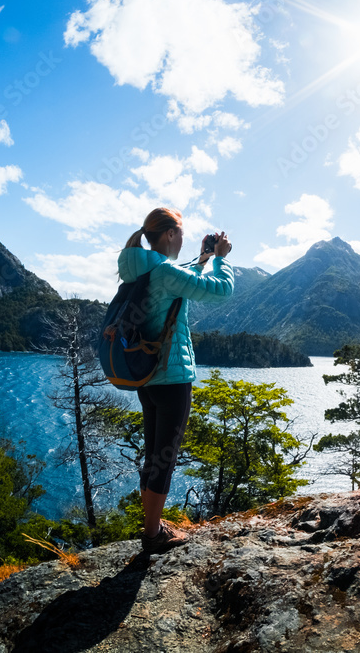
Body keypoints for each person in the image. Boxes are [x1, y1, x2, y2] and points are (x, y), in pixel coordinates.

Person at [117, 207, 234, 553]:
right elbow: (222, 289)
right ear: (169, 234)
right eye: (180, 233)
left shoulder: (144, 267)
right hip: (173, 377)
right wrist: (221, 260)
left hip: (149, 378)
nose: (182, 238)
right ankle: (153, 535)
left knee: (153, 454)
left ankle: (151, 525)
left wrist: (202, 258)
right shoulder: (164, 271)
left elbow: (177, 282)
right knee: (164, 459)